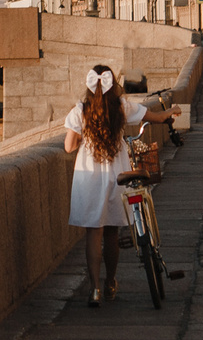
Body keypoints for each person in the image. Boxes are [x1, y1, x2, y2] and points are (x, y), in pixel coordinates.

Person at [62, 63, 177, 307]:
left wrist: (87, 135)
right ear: (113, 85)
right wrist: (170, 113)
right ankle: (111, 282)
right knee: (112, 231)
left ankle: (94, 290)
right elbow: (152, 116)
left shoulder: (80, 110)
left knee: (94, 233)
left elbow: (69, 147)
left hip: (90, 177)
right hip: (116, 173)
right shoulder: (121, 107)